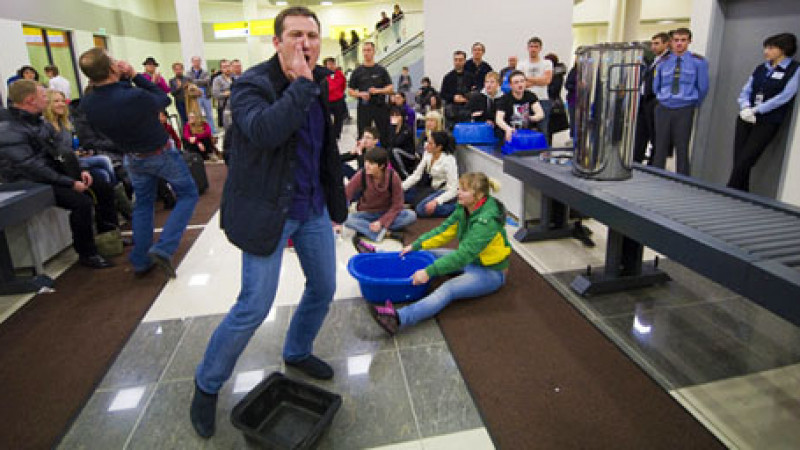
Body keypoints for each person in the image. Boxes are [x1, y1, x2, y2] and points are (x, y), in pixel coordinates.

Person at [190, 6, 348, 439]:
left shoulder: (319, 84)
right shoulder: (251, 85)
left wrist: (336, 202)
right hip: (268, 212)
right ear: (276, 41)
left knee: (324, 286)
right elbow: (264, 132)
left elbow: (324, 149)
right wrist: (300, 85)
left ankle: (297, 350)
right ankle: (206, 386)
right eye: (295, 35)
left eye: (312, 36)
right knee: (253, 306)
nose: (305, 44)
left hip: (311, 208)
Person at [78, 47, 198, 278]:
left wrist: (122, 80)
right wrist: (134, 76)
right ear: (112, 68)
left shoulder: (88, 103)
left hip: (131, 156)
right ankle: (164, 247)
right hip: (160, 153)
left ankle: (141, 260)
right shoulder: (133, 95)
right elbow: (163, 98)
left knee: (143, 205)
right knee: (188, 194)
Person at [370, 172, 510, 335]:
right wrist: (416, 245)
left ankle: (398, 319)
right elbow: (443, 232)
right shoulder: (464, 207)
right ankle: (380, 257)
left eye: (463, 190)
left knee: (447, 289)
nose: (458, 192)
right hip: (471, 259)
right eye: (459, 188)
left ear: (478, 195)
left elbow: (462, 256)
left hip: (491, 272)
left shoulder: (487, 221)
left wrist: (429, 272)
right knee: (426, 254)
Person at [0, 80, 115, 269]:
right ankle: (87, 253)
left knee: (101, 182)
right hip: (27, 181)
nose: (47, 100)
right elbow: (31, 167)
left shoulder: (37, 121)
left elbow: (59, 150)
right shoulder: (8, 129)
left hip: (48, 172)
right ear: (30, 100)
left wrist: (81, 170)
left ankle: (109, 233)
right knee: (81, 202)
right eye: (44, 96)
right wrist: (69, 182)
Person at [728, 33, 799, 192]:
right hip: (746, 117)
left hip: (768, 120)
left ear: (784, 49)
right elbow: (747, 89)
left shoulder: (794, 69)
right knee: (739, 159)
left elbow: (784, 97)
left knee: (746, 160)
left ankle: (728, 192)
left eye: (771, 48)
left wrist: (757, 109)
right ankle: (741, 194)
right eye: (766, 47)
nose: (766, 51)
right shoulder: (761, 68)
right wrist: (745, 107)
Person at [652, 28, 709, 175]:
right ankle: (656, 178)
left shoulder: (698, 62)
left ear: (689, 41)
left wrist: (692, 103)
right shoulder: (663, 61)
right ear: (671, 42)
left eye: (683, 40)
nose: (679, 44)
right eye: (676, 40)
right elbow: (656, 85)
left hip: (684, 108)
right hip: (664, 106)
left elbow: (702, 87)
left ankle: (683, 180)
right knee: (660, 147)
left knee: (682, 147)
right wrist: (662, 97)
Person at [345, 146, 416, 243]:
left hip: (387, 212)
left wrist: (381, 222)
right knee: (347, 219)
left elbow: (397, 205)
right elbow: (347, 194)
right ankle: (384, 233)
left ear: (381, 166)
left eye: (371, 163)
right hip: (366, 213)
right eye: (366, 162)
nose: (367, 166)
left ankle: (367, 229)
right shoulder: (362, 174)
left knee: (411, 216)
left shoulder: (393, 177)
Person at [632, 33, 671, 164]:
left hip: (655, 101)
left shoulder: (668, 60)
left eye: (657, 43)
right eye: (652, 43)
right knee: (640, 135)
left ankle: (654, 166)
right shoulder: (655, 60)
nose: (653, 47)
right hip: (644, 101)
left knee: (656, 136)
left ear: (666, 44)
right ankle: (636, 162)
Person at [402, 130, 458, 218]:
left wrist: (437, 201)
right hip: (431, 189)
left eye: (430, 143)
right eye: (427, 142)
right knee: (402, 194)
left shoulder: (449, 160)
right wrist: (399, 188)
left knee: (421, 210)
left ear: (439, 147)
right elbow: (416, 176)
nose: (426, 145)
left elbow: (453, 189)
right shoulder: (428, 154)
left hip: (445, 191)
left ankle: (457, 208)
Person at [348, 41, 394, 141]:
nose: (366, 53)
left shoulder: (381, 70)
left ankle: (385, 155)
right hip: (364, 107)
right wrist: (360, 94)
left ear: (374, 52)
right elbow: (350, 91)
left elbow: (390, 88)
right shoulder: (357, 71)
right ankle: (363, 156)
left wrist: (378, 91)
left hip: (380, 106)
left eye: (368, 50)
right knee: (363, 134)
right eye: (364, 50)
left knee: (384, 134)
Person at [518, 37, 553, 143]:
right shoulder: (521, 64)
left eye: (536, 47)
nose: (533, 49)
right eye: (531, 46)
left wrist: (527, 78)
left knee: (543, 129)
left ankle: (544, 153)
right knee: (524, 128)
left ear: (540, 48)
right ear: (527, 48)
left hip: (542, 100)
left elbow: (547, 80)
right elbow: (520, 84)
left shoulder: (547, 63)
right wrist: (539, 80)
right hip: (525, 100)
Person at [495, 70, 545, 143]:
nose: (520, 84)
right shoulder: (504, 99)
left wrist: (531, 118)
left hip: (527, 131)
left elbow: (540, 114)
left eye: (522, 81)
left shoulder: (531, 96)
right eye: (516, 82)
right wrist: (508, 129)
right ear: (510, 85)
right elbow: (499, 119)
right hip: (510, 131)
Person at [441, 50, 477, 125]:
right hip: (451, 110)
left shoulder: (471, 76)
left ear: (464, 61)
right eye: (456, 60)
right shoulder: (447, 77)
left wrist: (466, 98)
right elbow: (443, 94)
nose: (458, 62)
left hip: (467, 109)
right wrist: (453, 98)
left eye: (460, 60)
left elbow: (476, 92)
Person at [185, 56, 217, 135]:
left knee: (209, 114)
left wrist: (195, 81)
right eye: (195, 61)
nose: (197, 63)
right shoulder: (188, 73)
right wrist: (200, 82)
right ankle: (199, 131)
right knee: (197, 114)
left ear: (200, 62)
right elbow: (189, 81)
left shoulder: (205, 72)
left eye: (198, 61)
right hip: (195, 96)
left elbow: (207, 81)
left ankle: (212, 131)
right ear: (192, 62)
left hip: (206, 95)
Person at [385, 106, 416, 178]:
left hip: (408, 155)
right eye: (392, 115)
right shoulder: (391, 128)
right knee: (389, 151)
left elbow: (397, 143)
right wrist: (393, 128)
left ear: (402, 117)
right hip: (396, 153)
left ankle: (404, 174)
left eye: (397, 115)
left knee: (393, 151)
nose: (394, 117)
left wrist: (393, 128)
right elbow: (388, 142)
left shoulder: (407, 129)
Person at [324, 57, 347, 140]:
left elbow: (343, 85)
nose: (331, 66)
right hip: (327, 101)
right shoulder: (323, 75)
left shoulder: (339, 74)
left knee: (339, 119)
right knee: (327, 119)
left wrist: (339, 94)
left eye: (333, 64)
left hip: (338, 100)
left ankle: (337, 135)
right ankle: (328, 135)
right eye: (329, 64)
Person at [211, 59, 233, 129]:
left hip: (237, 109)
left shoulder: (235, 78)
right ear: (221, 69)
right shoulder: (217, 80)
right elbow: (215, 94)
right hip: (226, 110)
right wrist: (227, 93)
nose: (227, 69)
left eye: (228, 66)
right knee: (229, 132)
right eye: (224, 67)